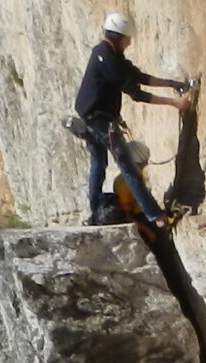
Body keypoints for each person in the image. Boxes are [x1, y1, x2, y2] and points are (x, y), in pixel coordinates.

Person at [75, 12, 187, 226]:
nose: (129, 42)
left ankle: (93, 215)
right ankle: (157, 217)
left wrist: (172, 84)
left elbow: (138, 75)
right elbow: (135, 92)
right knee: (128, 167)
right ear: (118, 37)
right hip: (101, 121)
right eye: (127, 39)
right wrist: (174, 103)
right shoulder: (107, 58)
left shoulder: (109, 54)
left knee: (98, 165)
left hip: (90, 119)